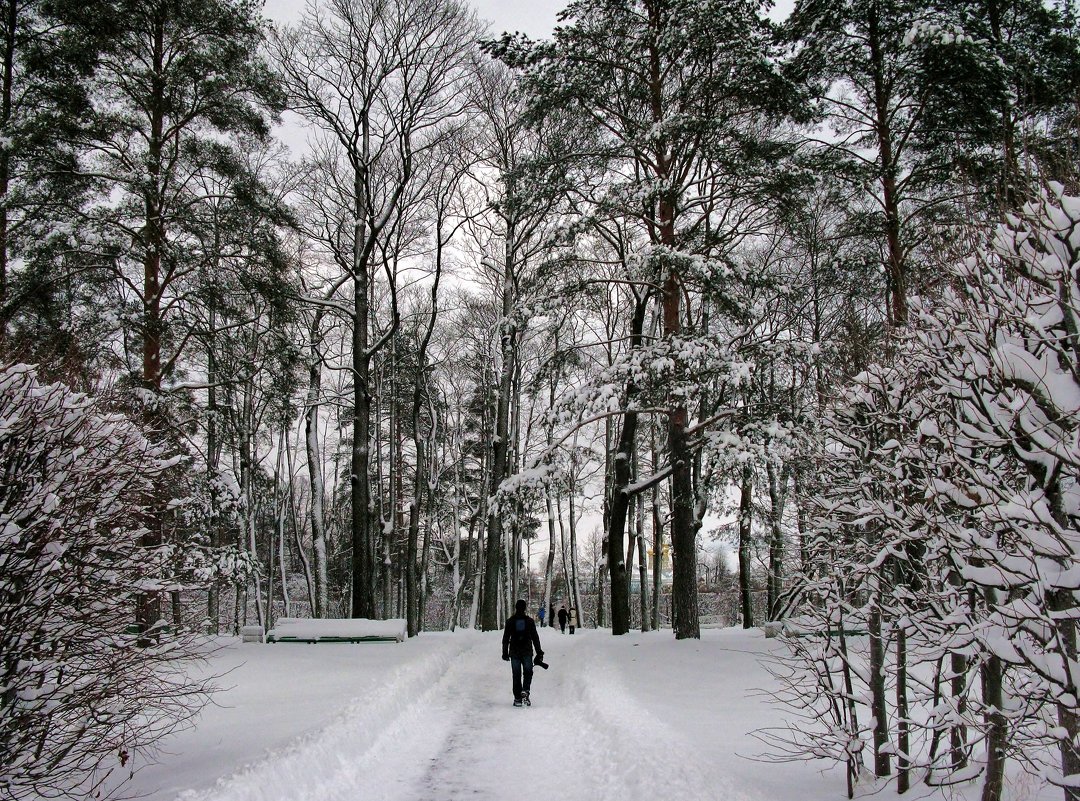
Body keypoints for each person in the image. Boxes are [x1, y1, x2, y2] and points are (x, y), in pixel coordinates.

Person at [502, 599, 543, 707]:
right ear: (525, 608)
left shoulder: (510, 621)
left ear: (516, 608)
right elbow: (535, 637)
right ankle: (525, 691)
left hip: (514, 652)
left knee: (516, 675)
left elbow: (505, 638)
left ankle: (517, 698)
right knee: (528, 672)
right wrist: (539, 652)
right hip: (527, 651)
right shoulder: (529, 621)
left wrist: (504, 652)